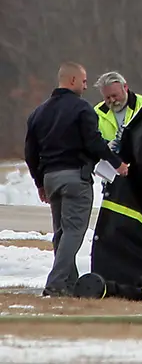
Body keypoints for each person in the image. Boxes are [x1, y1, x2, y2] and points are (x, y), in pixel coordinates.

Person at [23, 62, 129, 296]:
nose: (85, 85)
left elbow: (30, 153)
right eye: (83, 81)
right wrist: (117, 163)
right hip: (75, 179)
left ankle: (69, 285)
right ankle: (55, 284)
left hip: (50, 178)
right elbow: (93, 143)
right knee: (73, 232)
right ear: (72, 81)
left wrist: (39, 182)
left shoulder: (38, 113)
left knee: (60, 233)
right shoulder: (82, 109)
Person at [93, 71, 142, 153]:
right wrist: (105, 147)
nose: (112, 100)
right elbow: (92, 142)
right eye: (107, 98)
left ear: (125, 87)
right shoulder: (97, 113)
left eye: (115, 95)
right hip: (112, 163)